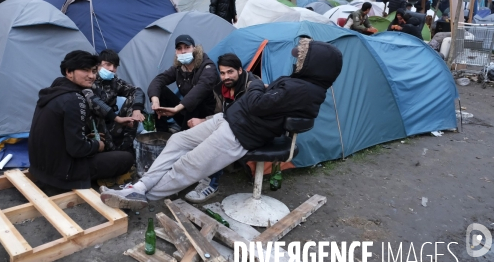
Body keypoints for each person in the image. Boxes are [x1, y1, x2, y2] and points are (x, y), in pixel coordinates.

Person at [99, 38, 343, 210]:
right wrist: (255, 95)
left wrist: (255, 87)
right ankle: (139, 186)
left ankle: (144, 196)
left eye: (301, 59)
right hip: (228, 119)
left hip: (240, 133)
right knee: (178, 139)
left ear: (314, 64)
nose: (296, 62)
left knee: (188, 165)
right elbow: (260, 102)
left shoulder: (303, 89)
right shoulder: (301, 85)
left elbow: (256, 103)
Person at [28, 51, 134, 190]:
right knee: (126, 158)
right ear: (69, 72)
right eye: (85, 70)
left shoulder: (54, 90)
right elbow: (77, 149)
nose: (91, 76)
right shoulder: (75, 99)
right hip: (62, 174)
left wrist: (87, 139)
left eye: (93, 71)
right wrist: (97, 145)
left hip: (39, 168)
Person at [184, 53, 260, 203]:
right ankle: (198, 172)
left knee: (219, 138)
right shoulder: (220, 88)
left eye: (230, 72)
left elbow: (243, 116)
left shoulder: (252, 86)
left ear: (239, 70)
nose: (226, 77)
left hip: (253, 129)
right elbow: (220, 113)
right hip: (233, 126)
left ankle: (212, 184)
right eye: (223, 73)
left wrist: (205, 121)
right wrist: (204, 123)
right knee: (202, 132)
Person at [148, 34, 219, 132]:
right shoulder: (178, 68)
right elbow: (158, 80)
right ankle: (162, 134)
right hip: (186, 110)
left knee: (195, 101)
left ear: (194, 49)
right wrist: (155, 102)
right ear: (176, 52)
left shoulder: (207, 66)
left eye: (187, 47)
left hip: (206, 116)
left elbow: (201, 89)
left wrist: (177, 109)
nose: (183, 51)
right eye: (179, 48)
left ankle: (183, 133)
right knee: (161, 91)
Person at [90, 49, 145, 152]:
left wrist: (137, 110)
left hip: (113, 124)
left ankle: (127, 148)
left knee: (133, 102)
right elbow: (95, 103)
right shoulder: (89, 80)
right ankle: (112, 151)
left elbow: (137, 91)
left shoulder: (114, 81)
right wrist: (117, 118)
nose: (112, 69)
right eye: (108, 64)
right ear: (98, 65)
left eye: (115, 66)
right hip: (95, 128)